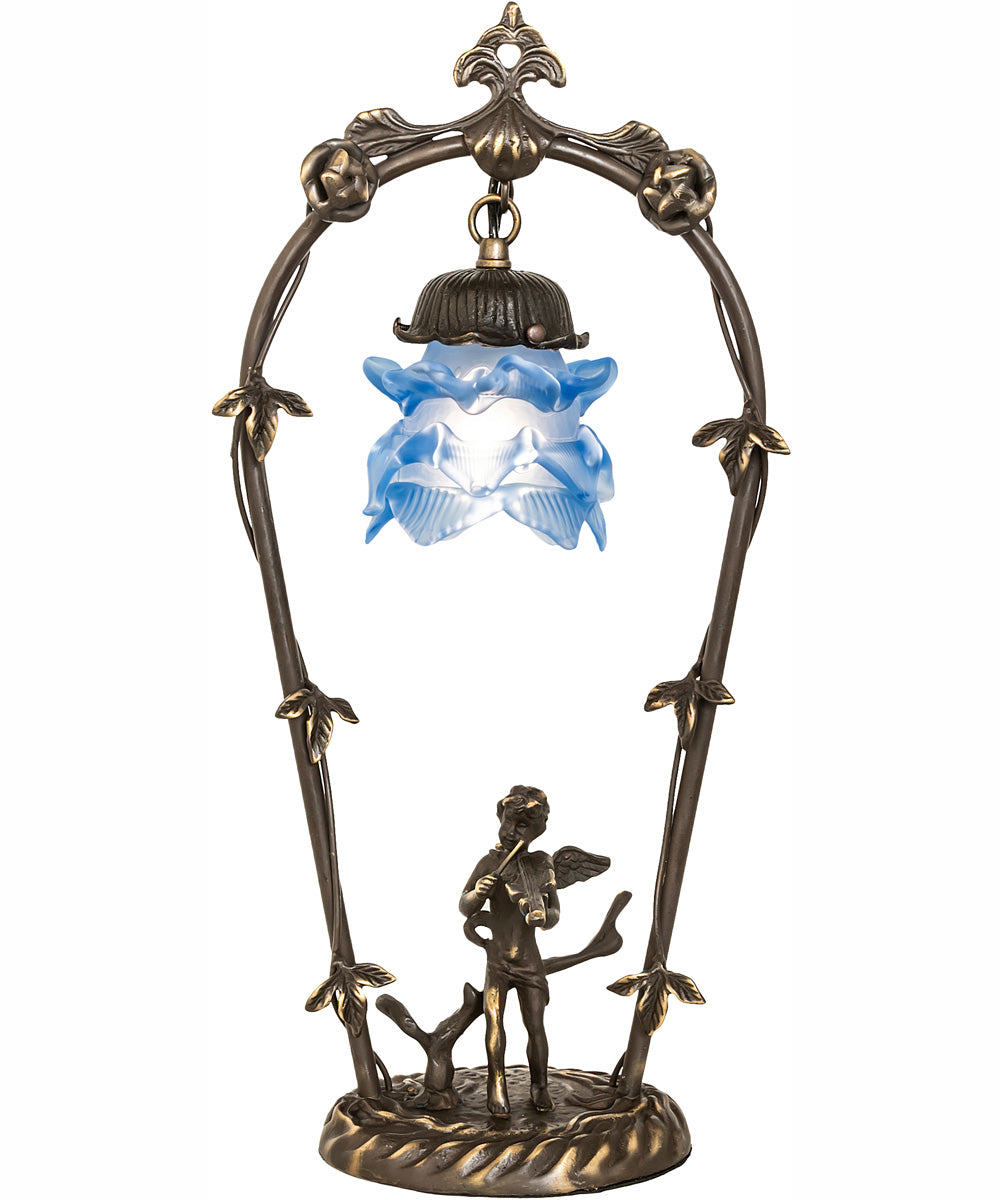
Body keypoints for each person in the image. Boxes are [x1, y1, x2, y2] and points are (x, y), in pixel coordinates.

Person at [459, 785, 560, 1116]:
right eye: (509, 822)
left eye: (523, 826)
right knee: (494, 1022)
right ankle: (497, 1083)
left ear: (536, 830)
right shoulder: (490, 862)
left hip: (529, 961)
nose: (513, 831)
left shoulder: (541, 864)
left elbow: (554, 912)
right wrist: (478, 892)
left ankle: (540, 1084)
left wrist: (544, 916)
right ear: (500, 818)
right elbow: (464, 906)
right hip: (498, 961)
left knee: (536, 1026)